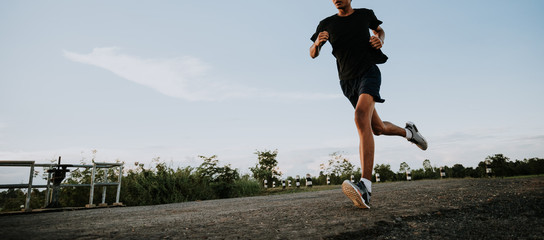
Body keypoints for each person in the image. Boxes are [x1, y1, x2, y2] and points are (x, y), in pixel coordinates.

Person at [310, 0, 428, 209]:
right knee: (377, 128)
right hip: (347, 81)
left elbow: (380, 30)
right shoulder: (326, 23)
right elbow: (312, 53)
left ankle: (365, 187)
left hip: (368, 72)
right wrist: (317, 44)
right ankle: (409, 133)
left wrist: (379, 39)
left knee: (360, 116)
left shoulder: (365, 14)